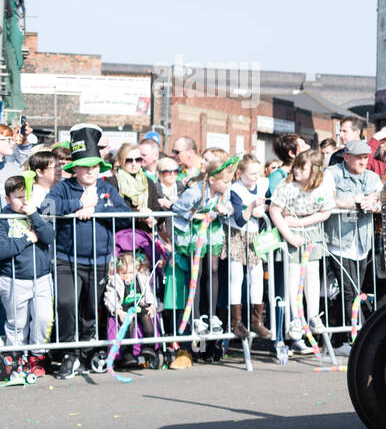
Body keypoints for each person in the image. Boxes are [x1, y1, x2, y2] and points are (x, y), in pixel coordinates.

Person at [42, 125, 132, 378]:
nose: (90, 170)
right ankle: (69, 353)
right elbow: (46, 209)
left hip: (99, 260)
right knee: (66, 303)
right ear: (75, 168)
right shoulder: (64, 188)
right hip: (65, 259)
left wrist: (98, 210)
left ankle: (84, 352)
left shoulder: (108, 189)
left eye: (94, 165)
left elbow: (125, 216)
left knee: (90, 310)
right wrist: (78, 204)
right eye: (85, 165)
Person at [169, 155, 239, 362]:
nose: (228, 185)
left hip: (212, 233)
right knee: (197, 273)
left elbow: (229, 209)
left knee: (214, 269)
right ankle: (197, 316)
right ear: (212, 179)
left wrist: (223, 210)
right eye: (225, 181)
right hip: (195, 233)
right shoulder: (195, 192)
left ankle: (212, 314)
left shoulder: (222, 193)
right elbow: (177, 208)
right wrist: (196, 216)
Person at [269, 150, 335, 354]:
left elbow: (326, 212)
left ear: (314, 170)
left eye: (302, 167)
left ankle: (313, 316)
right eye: (295, 166)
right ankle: (295, 321)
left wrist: (299, 221)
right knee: (292, 277)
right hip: (290, 236)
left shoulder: (322, 186)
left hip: (310, 232)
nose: (297, 170)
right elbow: (274, 210)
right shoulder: (287, 186)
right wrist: (289, 235)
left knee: (312, 277)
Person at [323, 140, 382, 352]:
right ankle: (356, 340)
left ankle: (339, 339)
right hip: (339, 241)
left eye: (366, 157)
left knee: (355, 291)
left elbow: (383, 199)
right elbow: (328, 200)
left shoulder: (372, 177)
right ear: (346, 157)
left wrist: (373, 203)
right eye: (359, 157)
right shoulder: (332, 173)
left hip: (362, 242)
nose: (363, 161)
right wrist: (354, 202)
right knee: (350, 292)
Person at [0, 174, 55, 376]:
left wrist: (34, 216)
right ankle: (15, 359)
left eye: (27, 196)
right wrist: (26, 239)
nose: (24, 201)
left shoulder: (37, 213)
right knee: (17, 323)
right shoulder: (3, 218)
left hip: (41, 278)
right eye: (18, 197)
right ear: (7, 199)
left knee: (43, 318)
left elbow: (49, 237)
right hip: (13, 279)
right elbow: (2, 250)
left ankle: (37, 357)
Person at [227, 154, 273, 339]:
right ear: (240, 173)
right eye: (251, 173)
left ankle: (256, 321)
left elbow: (271, 203)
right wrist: (251, 207)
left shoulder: (263, 184)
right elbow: (239, 218)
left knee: (257, 275)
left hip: (255, 235)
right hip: (237, 233)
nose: (256, 177)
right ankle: (236, 322)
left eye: (258, 173)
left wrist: (264, 209)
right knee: (236, 276)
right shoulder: (235, 190)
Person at [103, 251, 160, 365]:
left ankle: (149, 346)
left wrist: (152, 305)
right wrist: (118, 311)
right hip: (124, 308)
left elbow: (148, 292)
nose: (128, 276)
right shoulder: (115, 281)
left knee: (146, 316)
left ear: (137, 270)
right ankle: (127, 352)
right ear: (118, 271)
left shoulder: (141, 278)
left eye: (131, 273)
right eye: (124, 273)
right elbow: (109, 297)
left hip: (139, 305)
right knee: (129, 321)